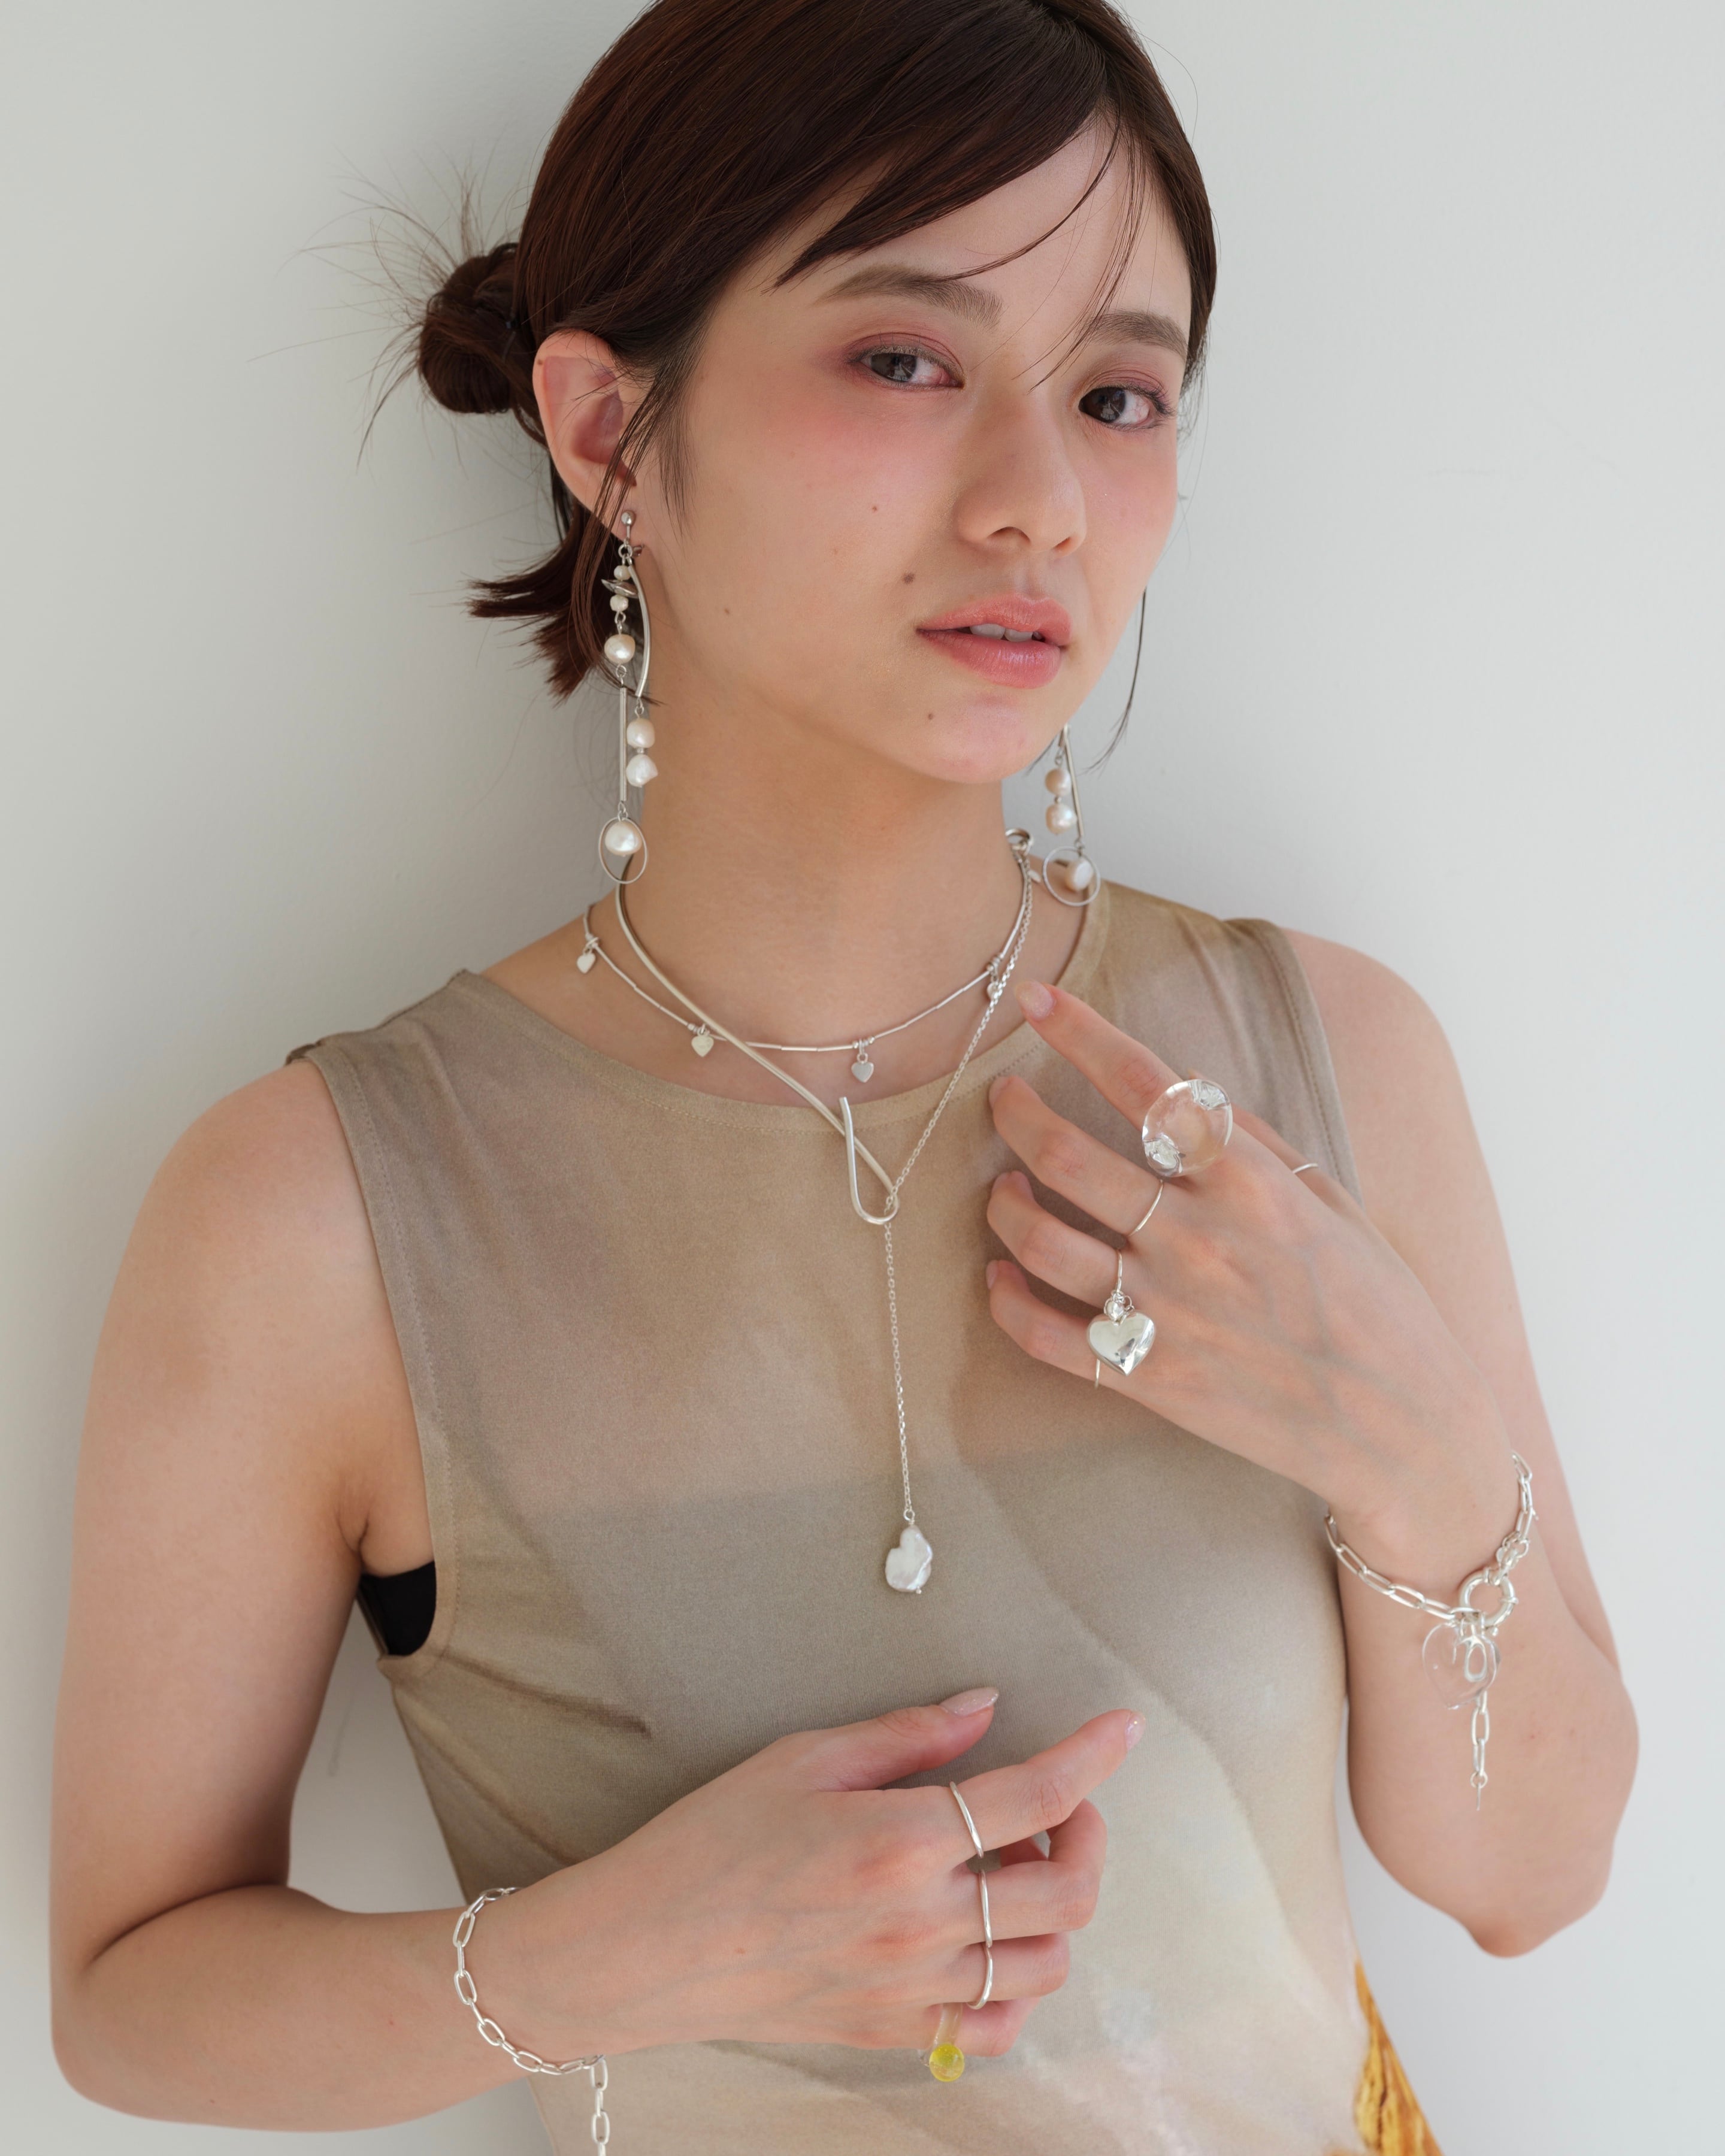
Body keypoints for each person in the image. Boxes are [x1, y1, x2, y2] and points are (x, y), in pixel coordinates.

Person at [49, 2, 1637, 2150]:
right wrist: (619, 1955)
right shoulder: (317, 1214)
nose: (1040, 500)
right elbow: (129, 2001)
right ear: (610, 430)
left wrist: (1410, 1444)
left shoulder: (1317, 1066)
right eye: (904, 359)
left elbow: (1531, 1882)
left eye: (1119, 393)